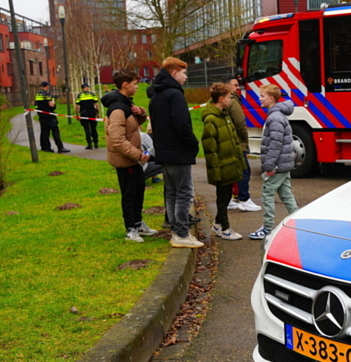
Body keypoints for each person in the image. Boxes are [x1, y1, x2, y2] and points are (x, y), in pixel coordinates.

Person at [148, 57, 203, 249]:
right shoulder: (175, 95)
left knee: (171, 192)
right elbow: (182, 124)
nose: (186, 77)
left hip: (164, 150)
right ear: (174, 73)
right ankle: (181, 233)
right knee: (184, 193)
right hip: (177, 151)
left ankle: (175, 229)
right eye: (183, 73)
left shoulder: (156, 95)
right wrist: (193, 144)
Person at [102, 69, 157, 243]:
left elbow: (132, 126)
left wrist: (140, 112)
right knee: (129, 193)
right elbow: (117, 139)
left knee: (139, 189)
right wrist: (138, 155)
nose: (137, 87)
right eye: (134, 84)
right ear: (125, 85)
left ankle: (138, 223)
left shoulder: (126, 104)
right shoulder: (117, 109)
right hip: (125, 159)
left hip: (133, 159)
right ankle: (130, 229)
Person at [249, 84, 297, 240]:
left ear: (271, 98)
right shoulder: (278, 115)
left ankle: (268, 227)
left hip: (277, 165)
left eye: (262, 96)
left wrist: (269, 166)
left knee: (267, 192)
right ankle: (298, 222)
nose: (259, 99)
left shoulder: (274, 117)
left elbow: (275, 144)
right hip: (284, 163)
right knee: (286, 195)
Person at [202, 83, 248, 240]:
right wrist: (216, 171)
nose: (230, 100)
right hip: (222, 166)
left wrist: (239, 161)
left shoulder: (225, 115)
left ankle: (218, 224)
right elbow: (210, 148)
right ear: (221, 99)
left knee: (227, 195)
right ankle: (224, 228)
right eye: (228, 97)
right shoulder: (211, 119)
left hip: (231, 163)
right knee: (222, 197)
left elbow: (234, 140)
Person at [225, 77, 260, 213]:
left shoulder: (218, 101)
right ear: (227, 86)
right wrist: (245, 139)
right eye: (235, 85)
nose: (238, 87)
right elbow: (240, 122)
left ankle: (228, 199)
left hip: (227, 142)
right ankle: (244, 199)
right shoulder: (233, 101)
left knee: (230, 172)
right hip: (237, 143)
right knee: (244, 171)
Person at [34, 81, 70, 153]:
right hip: (50, 116)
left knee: (44, 132)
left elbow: (36, 105)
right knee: (55, 131)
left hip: (42, 116)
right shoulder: (47, 94)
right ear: (47, 86)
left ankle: (45, 148)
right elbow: (51, 105)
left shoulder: (38, 95)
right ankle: (60, 147)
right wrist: (53, 103)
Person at [76, 83, 100, 149]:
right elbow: (97, 104)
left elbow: (77, 106)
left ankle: (89, 144)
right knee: (93, 128)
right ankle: (96, 143)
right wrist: (98, 113)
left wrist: (77, 114)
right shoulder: (92, 94)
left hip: (84, 114)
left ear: (82, 88)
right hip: (92, 113)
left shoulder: (80, 95)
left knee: (86, 129)